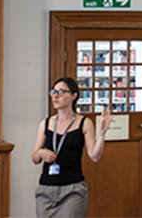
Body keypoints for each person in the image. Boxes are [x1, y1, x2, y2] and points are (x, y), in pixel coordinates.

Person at [31, 77, 112, 218]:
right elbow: (34, 158)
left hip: (72, 190)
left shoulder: (84, 123)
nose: (55, 96)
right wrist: (41, 153)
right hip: (46, 189)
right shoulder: (45, 123)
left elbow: (94, 156)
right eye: (53, 92)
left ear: (74, 96)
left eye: (61, 92)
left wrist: (102, 134)